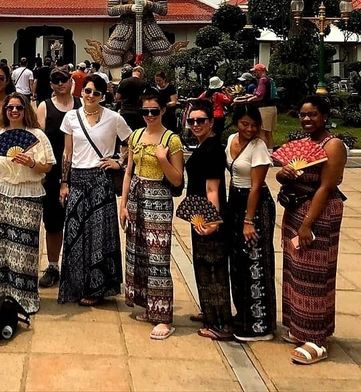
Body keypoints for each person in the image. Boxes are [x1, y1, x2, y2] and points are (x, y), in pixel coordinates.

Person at [276, 96, 347, 365]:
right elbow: (281, 176)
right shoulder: (303, 145)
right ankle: (300, 327)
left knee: (316, 273)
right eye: (303, 115)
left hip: (319, 211)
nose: (307, 119)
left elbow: (326, 187)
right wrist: (285, 174)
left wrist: (308, 224)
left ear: (325, 116)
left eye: (313, 115)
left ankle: (317, 338)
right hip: (295, 208)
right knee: (296, 271)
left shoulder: (333, 145)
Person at [58, 74, 131, 306]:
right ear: (81, 92)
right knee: (74, 232)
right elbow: (67, 152)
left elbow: (130, 143)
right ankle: (75, 284)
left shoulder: (114, 118)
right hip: (77, 178)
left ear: (103, 96)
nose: (90, 96)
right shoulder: (71, 117)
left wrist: (119, 162)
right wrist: (64, 181)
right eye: (88, 91)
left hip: (101, 179)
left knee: (99, 235)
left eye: (96, 93)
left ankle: (98, 288)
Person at [0, 93, 53, 314]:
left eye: (18, 108)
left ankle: (24, 297)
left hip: (28, 195)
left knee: (24, 249)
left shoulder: (37, 135)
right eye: (10, 108)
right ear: (4, 111)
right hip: (0, 194)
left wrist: (32, 162)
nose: (14, 112)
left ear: (25, 110)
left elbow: (48, 166)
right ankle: (0, 296)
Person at [120, 93, 184, 341]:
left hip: (159, 198)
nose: (149, 116)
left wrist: (162, 159)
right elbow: (128, 172)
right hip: (136, 195)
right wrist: (123, 205)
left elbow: (177, 179)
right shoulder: (136, 136)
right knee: (139, 253)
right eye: (145, 111)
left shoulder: (172, 140)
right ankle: (149, 305)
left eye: (154, 111)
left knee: (158, 255)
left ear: (163, 111)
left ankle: (163, 316)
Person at [184, 99, 234, 341]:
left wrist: (213, 221)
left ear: (211, 122)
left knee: (214, 268)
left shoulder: (213, 149)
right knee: (203, 264)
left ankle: (222, 323)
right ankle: (210, 312)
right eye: (192, 120)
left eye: (201, 120)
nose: (195, 124)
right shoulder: (203, 145)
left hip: (208, 213)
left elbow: (213, 188)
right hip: (199, 213)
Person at [226, 103, 276, 342]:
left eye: (254, 124)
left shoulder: (259, 147)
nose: (249, 128)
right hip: (235, 200)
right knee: (237, 261)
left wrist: (249, 220)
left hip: (255, 205)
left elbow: (256, 186)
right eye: (245, 124)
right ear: (237, 122)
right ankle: (243, 314)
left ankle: (260, 324)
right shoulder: (231, 140)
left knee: (255, 261)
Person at [35, 66, 81, 288]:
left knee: (80, 222)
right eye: (56, 80)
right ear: (51, 84)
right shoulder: (45, 107)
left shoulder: (83, 105)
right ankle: (53, 265)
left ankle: (77, 267)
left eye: (64, 79)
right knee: (53, 222)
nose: (61, 83)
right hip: (53, 173)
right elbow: (37, 140)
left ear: (72, 81)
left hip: (82, 172)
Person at [239, 64, 276, 148]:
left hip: (264, 109)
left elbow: (259, 96)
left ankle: (264, 154)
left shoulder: (262, 80)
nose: (254, 74)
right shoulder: (269, 79)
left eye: (255, 71)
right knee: (269, 133)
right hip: (272, 107)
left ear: (260, 71)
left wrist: (248, 100)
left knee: (262, 133)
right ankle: (270, 152)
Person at [115, 66, 147, 130]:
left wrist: (125, 99)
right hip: (139, 112)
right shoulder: (144, 84)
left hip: (125, 111)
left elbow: (117, 98)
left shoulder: (124, 82)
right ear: (141, 73)